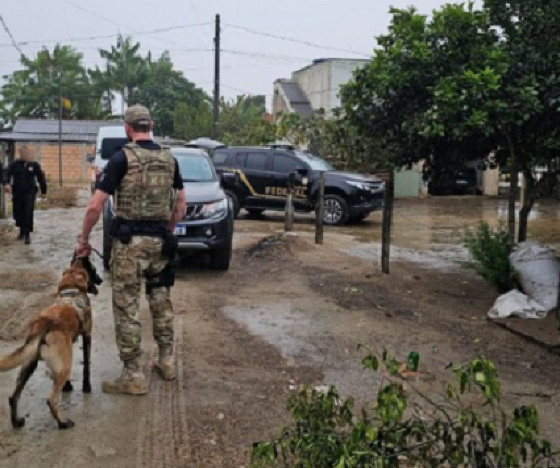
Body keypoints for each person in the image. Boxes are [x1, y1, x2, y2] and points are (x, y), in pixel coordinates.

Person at [75, 104, 186, 395]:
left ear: (127, 128)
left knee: (127, 307)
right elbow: (181, 205)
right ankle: (167, 360)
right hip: (160, 245)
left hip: (129, 246)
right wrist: (167, 232)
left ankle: (133, 374)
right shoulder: (169, 158)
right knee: (161, 300)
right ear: (151, 125)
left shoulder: (121, 159)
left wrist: (83, 241)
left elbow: (95, 205)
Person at [2, 146, 47, 244]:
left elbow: (40, 177)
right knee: (18, 212)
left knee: (28, 211)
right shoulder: (15, 164)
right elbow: (7, 173)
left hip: (30, 192)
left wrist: (43, 191)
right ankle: (22, 231)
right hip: (17, 192)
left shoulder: (34, 165)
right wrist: (6, 183)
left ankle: (27, 235)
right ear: (20, 154)